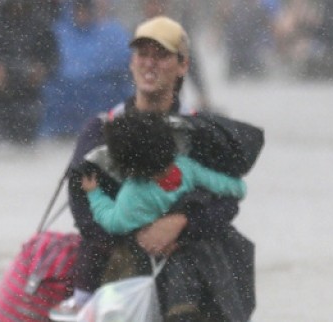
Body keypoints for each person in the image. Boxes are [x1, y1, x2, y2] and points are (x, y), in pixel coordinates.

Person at [49, 16, 255, 321]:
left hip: (188, 263)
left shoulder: (201, 132)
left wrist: (181, 225)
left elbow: (227, 202)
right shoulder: (101, 128)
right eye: (142, 55)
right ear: (131, 64)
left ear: (183, 66)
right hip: (117, 264)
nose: (150, 64)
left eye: (161, 56)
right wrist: (136, 238)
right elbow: (82, 204)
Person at [83, 112, 246, 235]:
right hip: (192, 248)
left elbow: (113, 223)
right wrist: (238, 187)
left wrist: (95, 194)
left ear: (123, 162)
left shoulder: (133, 194)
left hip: (153, 261)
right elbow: (218, 183)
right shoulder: (185, 167)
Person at [0, 0, 60, 147]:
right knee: (0, 148)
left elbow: (53, 58)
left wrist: (41, 69)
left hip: (30, 97)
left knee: (28, 148)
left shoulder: (39, 24)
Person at [40, 0, 134, 138]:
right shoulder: (58, 33)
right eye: (78, 9)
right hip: (61, 115)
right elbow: (50, 64)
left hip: (102, 109)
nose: (81, 14)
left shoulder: (112, 32)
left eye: (85, 9)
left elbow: (124, 63)